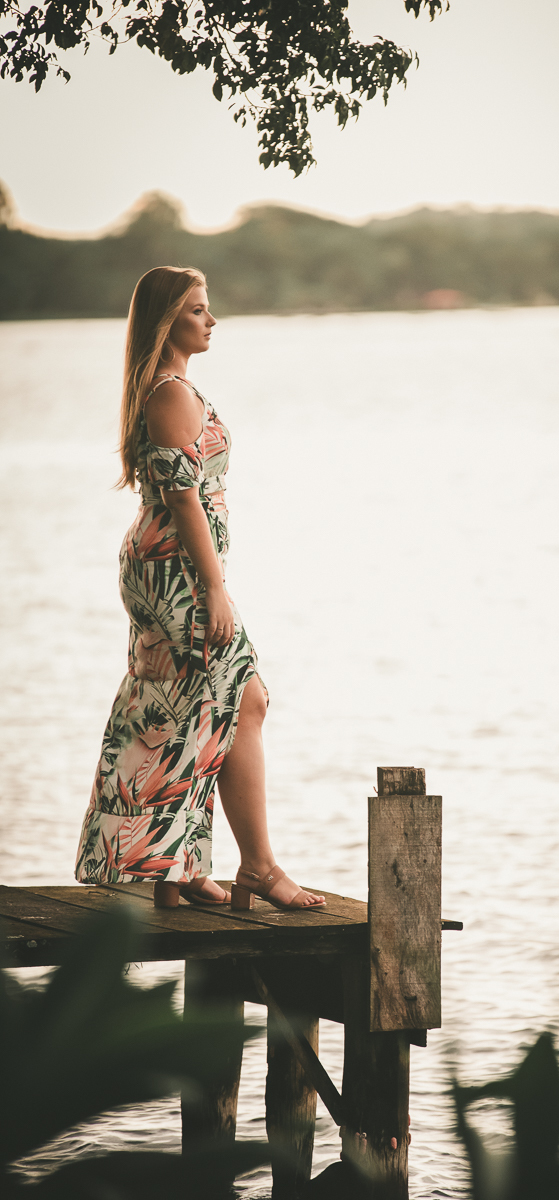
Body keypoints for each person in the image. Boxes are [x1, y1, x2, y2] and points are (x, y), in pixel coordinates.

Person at [75, 266, 325, 911]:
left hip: (168, 565)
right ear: (167, 322)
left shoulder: (172, 388)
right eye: (196, 310)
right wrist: (215, 587)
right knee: (241, 696)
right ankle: (257, 867)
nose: (211, 320)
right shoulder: (170, 394)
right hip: (177, 571)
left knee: (197, 706)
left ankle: (176, 870)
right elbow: (184, 499)